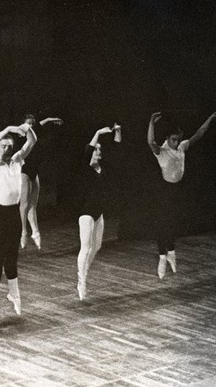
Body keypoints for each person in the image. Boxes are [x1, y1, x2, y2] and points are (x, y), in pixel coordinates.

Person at [147, 111, 216, 279]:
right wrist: (151, 123)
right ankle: (162, 257)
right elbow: (150, 142)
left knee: (173, 222)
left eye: (178, 139)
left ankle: (171, 253)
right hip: (164, 190)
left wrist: (209, 118)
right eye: (173, 139)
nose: (176, 142)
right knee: (162, 223)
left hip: (177, 190)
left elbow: (199, 134)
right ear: (167, 138)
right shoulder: (161, 151)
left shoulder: (181, 147)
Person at [0, 122, 37, 316]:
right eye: (3, 145)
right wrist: (7, 129)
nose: (7, 148)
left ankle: (15, 294)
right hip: (0, 214)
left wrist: (26, 127)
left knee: (13, 256)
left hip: (15, 213)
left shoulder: (16, 160)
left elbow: (32, 141)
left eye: (9, 145)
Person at [76, 124, 121, 301]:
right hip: (86, 212)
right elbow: (88, 151)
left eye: (100, 149)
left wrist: (118, 131)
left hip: (99, 212)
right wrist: (98, 133)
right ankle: (82, 280)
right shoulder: (85, 169)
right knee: (85, 248)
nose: (98, 152)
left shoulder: (103, 169)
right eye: (97, 149)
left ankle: (84, 271)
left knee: (98, 246)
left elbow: (117, 151)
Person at [19, 114, 63, 250]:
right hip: (23, 170)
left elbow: (38, 126)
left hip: (34, 171)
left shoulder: (34, 136)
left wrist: (49, 120)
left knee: (33, 204)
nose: (31, 126)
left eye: (33, 124)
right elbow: (27, 129)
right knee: (24, 203)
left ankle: (36, 232)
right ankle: (23, 232)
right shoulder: (21, 137)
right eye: (28, 124)